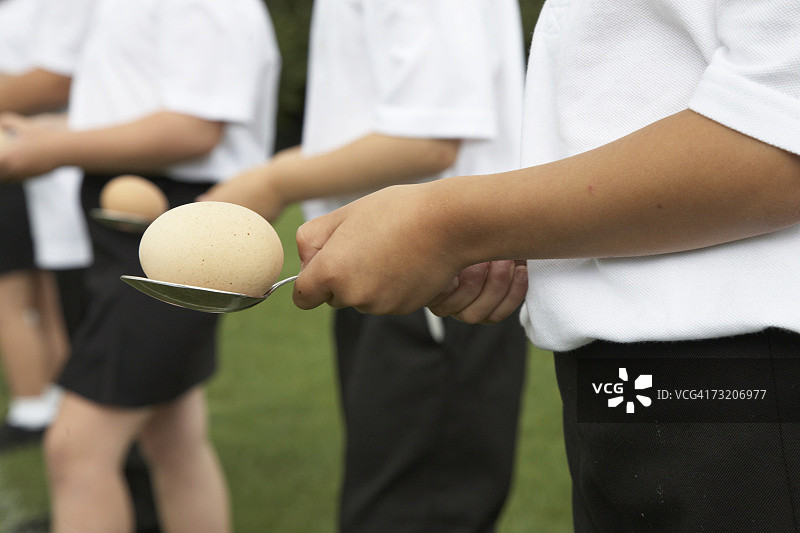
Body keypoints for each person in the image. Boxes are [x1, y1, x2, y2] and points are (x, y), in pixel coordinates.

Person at [288, 0, 800, 531]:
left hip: (743, 374)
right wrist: (514, 231)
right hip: (622, 375)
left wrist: (448, 225)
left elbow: (779, 132)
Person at [202, 1, 529, 531]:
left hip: (442, 284)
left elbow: (430, 138)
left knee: (408, 513)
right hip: (384, 268)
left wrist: (273, 181)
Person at [0, 0, 281, 531]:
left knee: (75, 450)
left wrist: (55, 149)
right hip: (142, 227)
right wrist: (49, 135)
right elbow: (131, 102)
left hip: (186, 231)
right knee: (170, 436)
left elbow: (195, 128)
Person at [0, 0, 92, 452]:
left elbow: (55, 79)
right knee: (47, 298)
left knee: (15, 294)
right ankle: (55, 405)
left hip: (41, 164)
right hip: (35, 166)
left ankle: (36, 407)